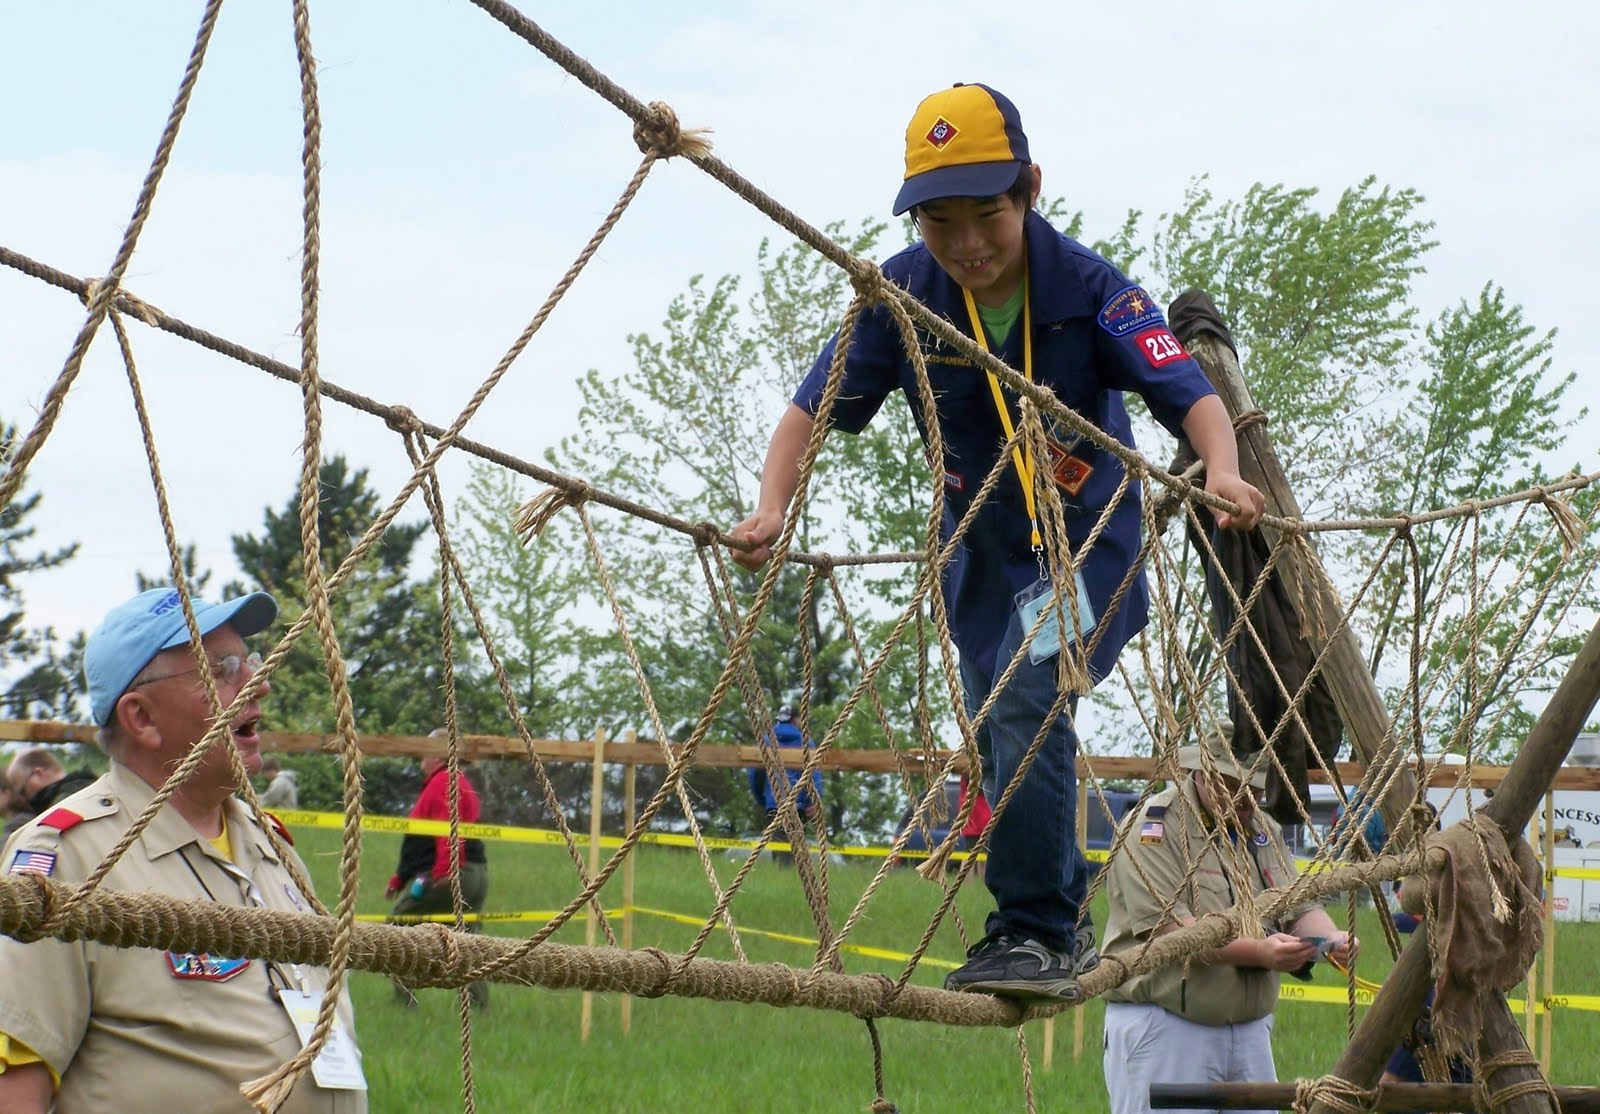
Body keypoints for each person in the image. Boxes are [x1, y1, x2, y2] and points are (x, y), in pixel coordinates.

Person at [730, 83, 1265, 1001]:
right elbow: (807, 409)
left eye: (989, 216)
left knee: (1028, 688)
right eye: (941, 223)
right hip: (979, 556)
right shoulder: (903, 294)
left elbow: (1188, 392)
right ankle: (1057, 914)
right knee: (1000, 724)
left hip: (1091, 542)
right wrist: (773, 507)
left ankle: (1035, 929)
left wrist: (1218, 465)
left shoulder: (1092, 288)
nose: (968, 244)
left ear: (1030, 191)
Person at [0, 586, 365, 1113]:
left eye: (252, 661)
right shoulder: (67, 857)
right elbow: (16, 1088)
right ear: (141, 718)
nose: (257, 683)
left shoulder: (271, 846)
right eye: (222, 669)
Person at [1100, 722, 1356, 1114]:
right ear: (1202, 774)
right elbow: (1170, 933)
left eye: (1255, 789)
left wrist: (1331, 940)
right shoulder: (1155, 827)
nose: (1247, 799)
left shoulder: (1261, 828)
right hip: (1169, 1027)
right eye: (1234, 785)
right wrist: (1261, 953)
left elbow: (1296, 905)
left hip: (1248, 1026)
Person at [385, 729, 489, 1008]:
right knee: (466, 940)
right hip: (476, 873)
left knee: (397, 925)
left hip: (453, 872)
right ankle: (480, 1007)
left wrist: (445, 871)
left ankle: (404, 1001)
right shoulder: (458, 781)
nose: (421, 754)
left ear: (438, 753)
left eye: (427, 747)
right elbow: (422, 842)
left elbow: (448, 831)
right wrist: (399, 878)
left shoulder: (444, 781)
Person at [2, 746, 98, 842]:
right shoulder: (87, 789)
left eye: (23, 791)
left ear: (39, 774)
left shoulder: (63, 804)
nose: (23, 799)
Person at [747, 705, 823, 824]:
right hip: (798, 805)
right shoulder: (806, 742)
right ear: (796, 720)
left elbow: (755, 774)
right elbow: (814, 774)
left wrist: (763, 799)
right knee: (796, 840)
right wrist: (814, 800)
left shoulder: (766, 741)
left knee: (776, 839)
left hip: (773, 804)